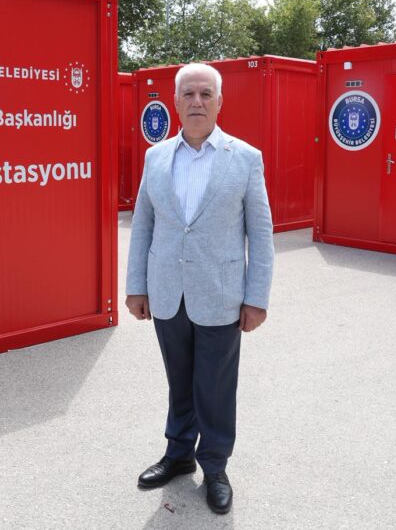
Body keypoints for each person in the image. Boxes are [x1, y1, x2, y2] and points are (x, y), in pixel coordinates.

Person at [125, 62, 274, 515]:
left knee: (215, 386)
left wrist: (256, 297)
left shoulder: (245, 158)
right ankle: (178, 454)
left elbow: (260, 232)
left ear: (219, 102)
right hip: (167, 291)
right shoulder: (156, 157)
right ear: (175, 102)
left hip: (221, 294)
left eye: (206, 94)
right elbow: (144, 224)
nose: (197, 101)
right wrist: (136, 286)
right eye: (188, 94)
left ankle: (214, 467)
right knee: (179, 380)